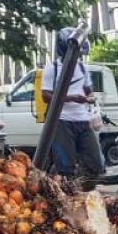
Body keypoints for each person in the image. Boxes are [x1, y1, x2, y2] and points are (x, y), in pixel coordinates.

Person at [40, 27, 104, 178]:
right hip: (61, 121)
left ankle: (84, 193)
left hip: (83, 120)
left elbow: (89, 90)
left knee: (96, 164)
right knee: (65, 168)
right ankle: (69, 196)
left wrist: (90, 100)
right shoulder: (52, 69)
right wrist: (71, 98)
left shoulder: (82, 68)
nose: (78, 55)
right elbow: (45, 96)